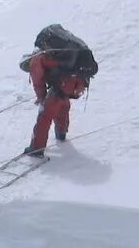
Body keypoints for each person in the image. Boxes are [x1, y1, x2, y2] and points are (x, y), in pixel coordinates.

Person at [22, 24, 98, 156]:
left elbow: (38, 83)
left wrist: (41, 99)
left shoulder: (36, 60)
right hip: (77, 81)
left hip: (65, 83)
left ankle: (36, 149)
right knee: (62, 102)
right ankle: (61, 133)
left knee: (45, 114)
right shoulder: (52, 53)